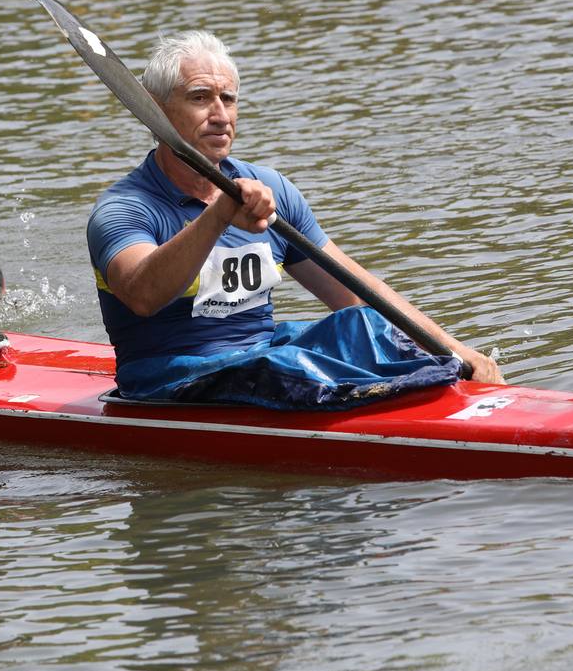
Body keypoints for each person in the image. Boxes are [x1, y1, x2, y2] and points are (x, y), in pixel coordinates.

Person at [86, 30, 503, 408]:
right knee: (289, 363)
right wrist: (219, 216)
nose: (220, 115)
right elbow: (143, 294)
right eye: (200, 98)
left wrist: (457, 353)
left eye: (228, 99)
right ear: (155, 110)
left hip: (266, 359)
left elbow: (357, 293)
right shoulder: (124, 209)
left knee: (360, 327)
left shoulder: (271, 188)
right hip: (168, 380)